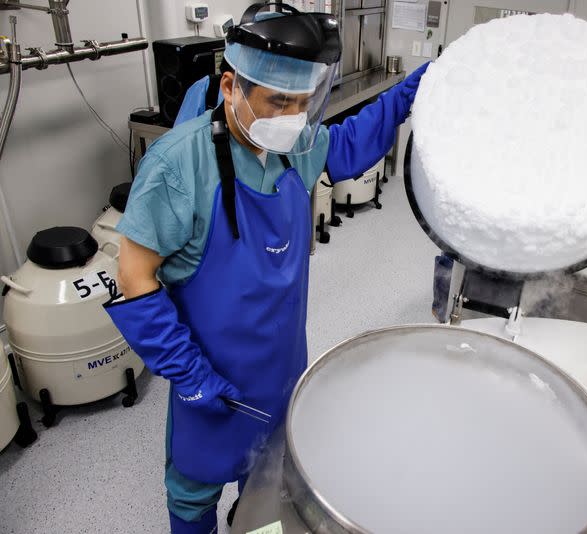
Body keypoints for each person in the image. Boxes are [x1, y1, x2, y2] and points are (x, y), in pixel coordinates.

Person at [104, 4, 429, 533]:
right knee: (193, 494)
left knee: (265, 488)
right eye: (279, 101)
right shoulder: (178, 164)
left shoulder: (294, 147)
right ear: (231, 86)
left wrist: (413, 90)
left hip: (280, 370)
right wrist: (191, 377)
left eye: (302, 103)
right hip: (209, 378)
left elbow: (348, 144)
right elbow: (134, 279)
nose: (291, 119)